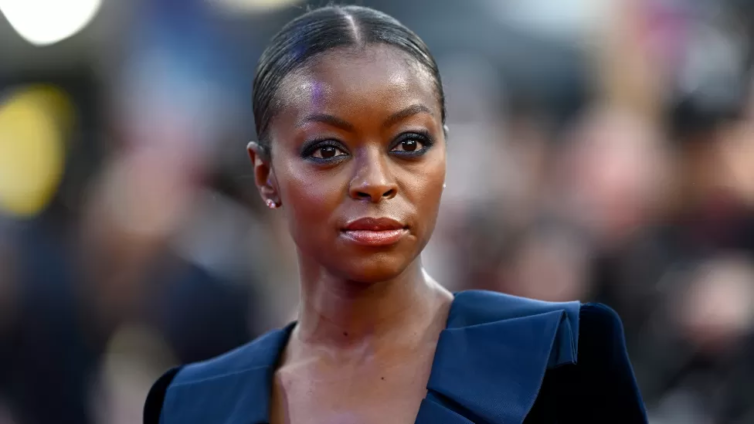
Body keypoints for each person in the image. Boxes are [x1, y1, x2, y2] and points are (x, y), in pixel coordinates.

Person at [143, 5, 647, 423]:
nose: (376, 181)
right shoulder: (189, 405)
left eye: (409, 144)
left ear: (445, 155)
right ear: (265, 174)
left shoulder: (560, 356)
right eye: (327, 150)